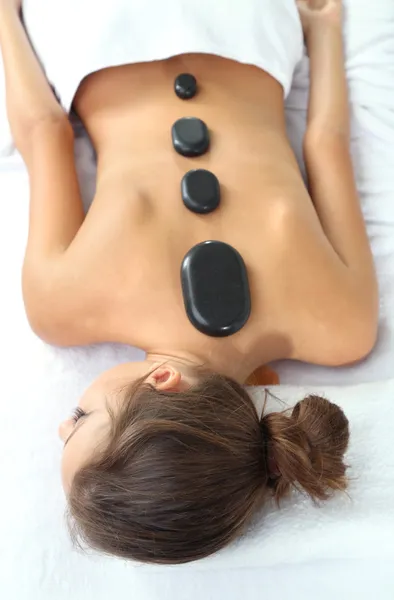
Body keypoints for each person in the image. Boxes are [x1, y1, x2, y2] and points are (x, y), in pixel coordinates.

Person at [0, 0, 376, 564]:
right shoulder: (61, 304)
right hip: (100, 29)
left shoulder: (344, 325)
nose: (61, 423)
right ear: (165, 380)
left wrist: (323, 29)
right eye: (78, 421)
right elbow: (43, 129)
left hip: (250, 32)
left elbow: (325, 143)